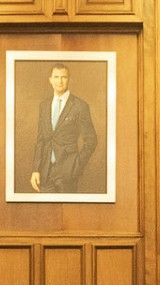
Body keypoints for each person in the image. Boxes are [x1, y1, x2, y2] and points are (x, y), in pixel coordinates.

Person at [30, 63, 97, 194]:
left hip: (68, 174)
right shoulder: (44, 106)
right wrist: (35, 169)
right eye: (56, 77)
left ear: (69, 79)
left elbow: (91, 140)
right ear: (50, 80)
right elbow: (41, 140)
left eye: (63, 77)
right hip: (45, 172)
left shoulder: (80, 106)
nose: (59, 81)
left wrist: (76, 165)